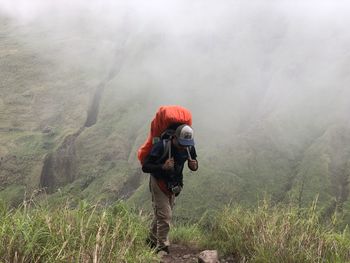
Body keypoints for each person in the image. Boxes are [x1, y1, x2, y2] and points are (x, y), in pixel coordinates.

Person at [142, 124, 198, 254]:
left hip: (174, 184)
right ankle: (162, 247)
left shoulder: (189, 147)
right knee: (166, 215)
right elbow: (146, 166)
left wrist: (194, 165)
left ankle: (151, 240)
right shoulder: (161, 146)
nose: (184, 146)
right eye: (181, 143)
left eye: (186, 143)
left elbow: (194, 164)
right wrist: (163, 166)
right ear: (174, 138)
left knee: (162, 214)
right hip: (159, 182)